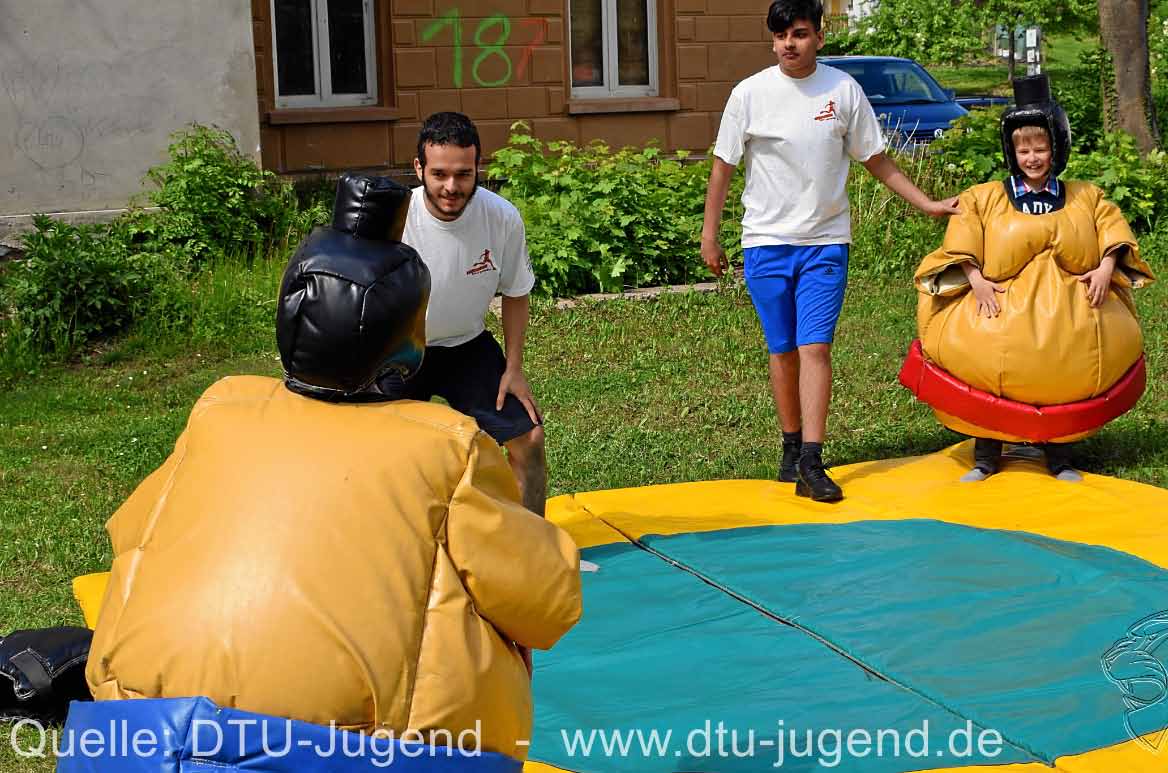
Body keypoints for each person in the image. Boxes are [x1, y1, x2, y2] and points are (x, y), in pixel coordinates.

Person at [80, 175, 582, 767]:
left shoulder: (220, 409)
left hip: (136, 737)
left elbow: (131, 535)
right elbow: (547, 601)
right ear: (409, 340)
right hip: (355, 750)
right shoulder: (445, 448)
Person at [700, 0, 960, 503]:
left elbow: (877, 160)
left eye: (799, 34)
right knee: (782, 350)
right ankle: (790, 446)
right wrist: (710, 234)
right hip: (766, 242)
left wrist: (927, 203)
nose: (788, 44)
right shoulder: (749, 93)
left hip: (824, 243)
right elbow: (723, 167)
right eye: (780, 36)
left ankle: (812, 460)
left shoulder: (842, 90)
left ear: (819, 36)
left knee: (815, 347)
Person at [905, 75, 1156, 481]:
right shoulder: (984, 197)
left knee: (1064, 376)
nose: (1033, 158)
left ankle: (1059, 457)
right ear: (1012, 152)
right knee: (983, 373)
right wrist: (975, 278)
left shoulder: (1086, 196)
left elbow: (1113, 230)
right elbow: (961, 239)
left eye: (1040, 148)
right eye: (1023, 150)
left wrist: (1106, 266)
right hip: (995, 308)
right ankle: (987, 455)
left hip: (1071, 319)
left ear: (1057, 147)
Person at [398, 112, 548, 516]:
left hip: (467, 346)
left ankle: (530, 543)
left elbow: (516, 293)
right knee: (384, 453)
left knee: (530, 440)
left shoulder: (501, 217)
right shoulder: (395, 219)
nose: (451, 187)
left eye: (463, 174)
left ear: (478, 167)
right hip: (401, 352)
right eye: (439, 174)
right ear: (419, 168)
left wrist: (513, 368)